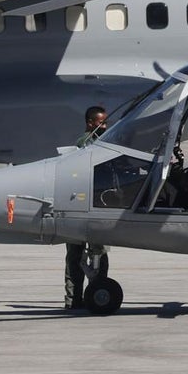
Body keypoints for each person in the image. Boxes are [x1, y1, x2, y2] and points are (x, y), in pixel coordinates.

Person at [64, 106, 110, 310]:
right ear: (90, 123)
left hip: (92, 204)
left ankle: (83, 298)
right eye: (101, 123)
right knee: (83, 256)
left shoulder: (101, 141)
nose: (105, 126)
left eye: (106, 122)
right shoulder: (86, 143)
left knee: (87, 256)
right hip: (85, 205)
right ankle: (82, 298)